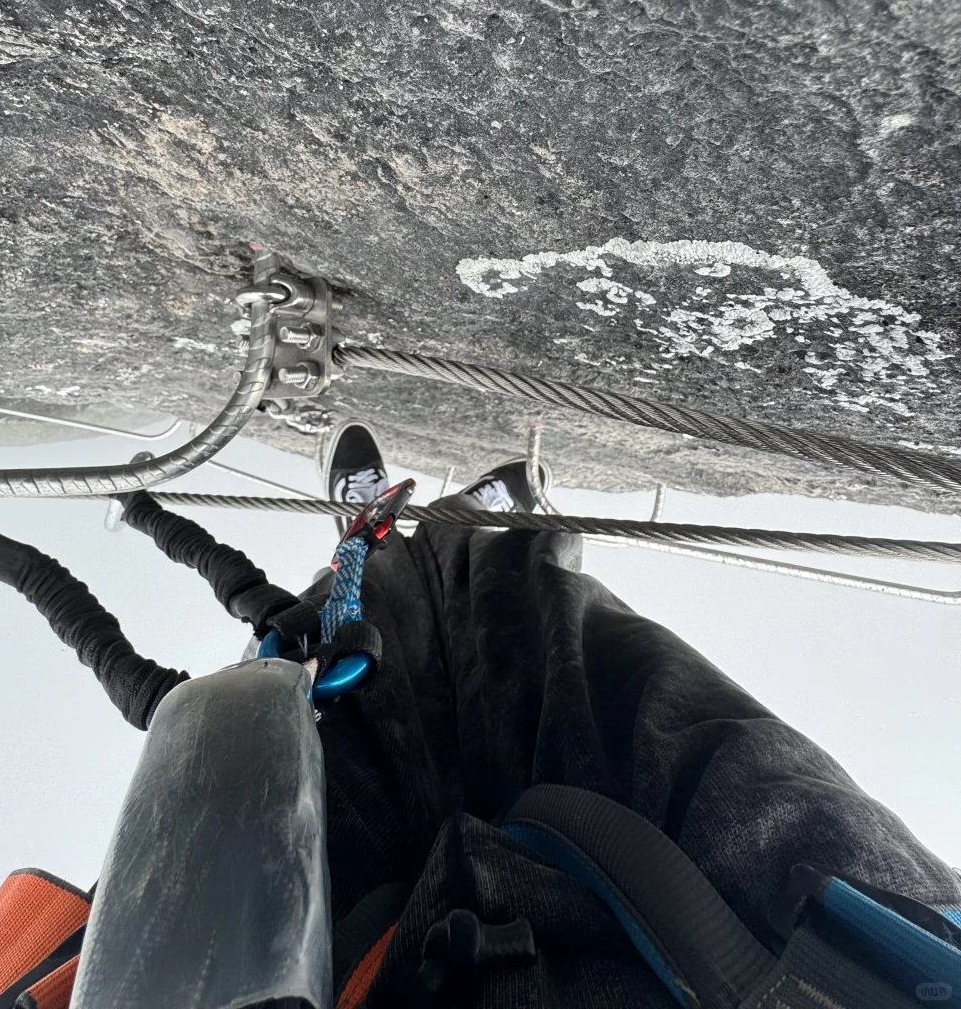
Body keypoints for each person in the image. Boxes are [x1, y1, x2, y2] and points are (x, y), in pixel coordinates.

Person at [315, 423, 961, 1007]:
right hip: (871, 948)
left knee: (344, 692)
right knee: (557, 631)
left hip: (353, 973)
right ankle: (463, 528)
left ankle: (376, 541)